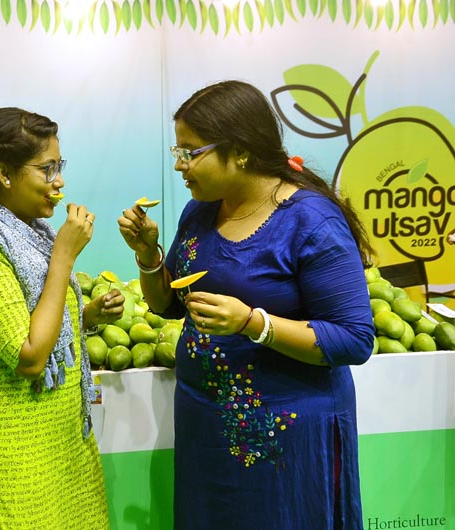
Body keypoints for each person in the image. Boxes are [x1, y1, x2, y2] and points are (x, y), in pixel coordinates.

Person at [118, 80, 375, 530]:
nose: (179, 165)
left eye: (191, 152)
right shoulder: (201, 211)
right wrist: (148, 255)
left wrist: (253, 324)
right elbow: (171, 305)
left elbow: (354, 339)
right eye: (177, 151)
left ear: (238, 152)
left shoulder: (311, 221)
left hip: (285, 434)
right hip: (205, 425)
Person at [0, 107, 123, 530]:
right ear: (4, 174)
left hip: (57, 443)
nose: (59, 181)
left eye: (60, 167)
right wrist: (63, 256)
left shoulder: (30, 233)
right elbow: (29, 356)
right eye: (47, 169)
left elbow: (37, 317)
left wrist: (85, 316)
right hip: (11, 456)